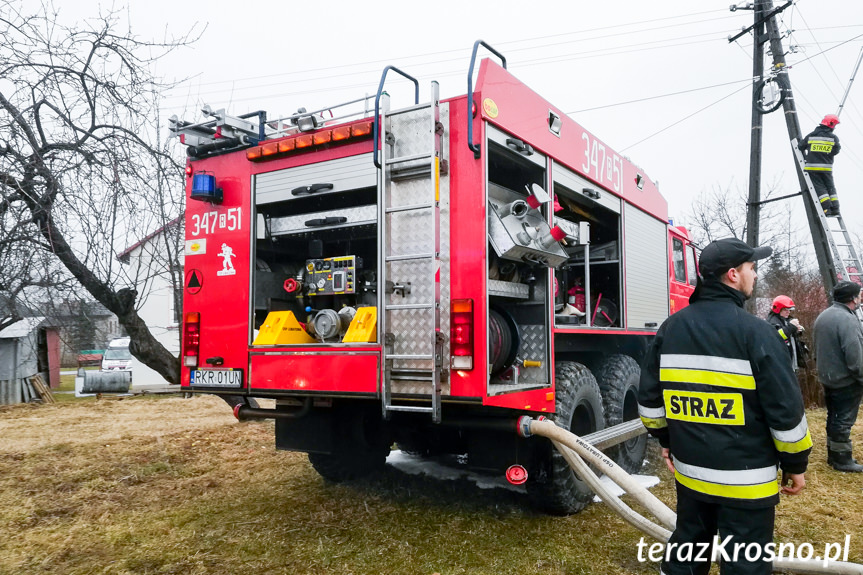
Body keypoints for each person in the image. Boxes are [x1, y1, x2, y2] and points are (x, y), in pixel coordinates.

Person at [638, 238, 811, 575]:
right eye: (751, 268)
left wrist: (667, 442)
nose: (756, 275)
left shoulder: (670, 329)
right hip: (747, 483)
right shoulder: (758, 334)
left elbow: (650, 404)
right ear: (733, 274)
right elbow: (786, 413)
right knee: (745, 561)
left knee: (688, 549)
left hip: (692, 476)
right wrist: (795, 463)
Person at [812, 280, 863, 473]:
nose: (860, 298)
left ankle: (833, 455)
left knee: (833, 418)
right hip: (846, 380)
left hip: (828, 377)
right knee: (843, 421)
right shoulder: (847, 319)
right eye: (859, 295)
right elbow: (855, 356)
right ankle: (842, 460)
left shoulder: (824, 316)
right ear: (852, 298)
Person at [799, 114, 841, 217]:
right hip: (826, 168)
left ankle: (826, 209)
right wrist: (826, 153)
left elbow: (800, 146)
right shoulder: (833, 138)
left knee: (820, 188)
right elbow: (836, 150)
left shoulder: (811, 135)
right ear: (831, 124)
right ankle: (835, 208)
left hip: (812, 168)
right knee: (830, 187)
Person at [766, 295, 808, 371]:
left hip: (791, 363)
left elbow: (788, 334)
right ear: (778, 309)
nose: (788, 312)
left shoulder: (786, 319)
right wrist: (791, 327)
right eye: (786, 309)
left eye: (790, 310)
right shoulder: (772, 322)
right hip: (781, 365)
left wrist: (797, 330)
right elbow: (777, 337)